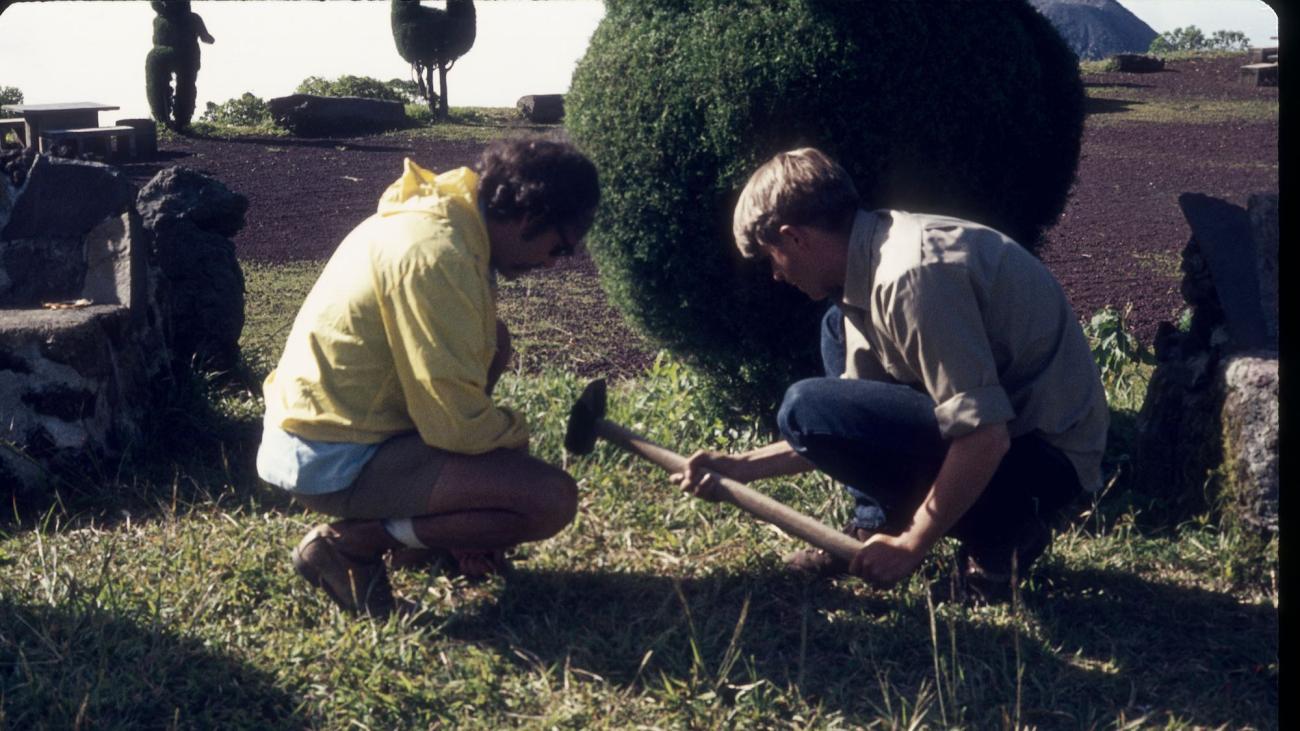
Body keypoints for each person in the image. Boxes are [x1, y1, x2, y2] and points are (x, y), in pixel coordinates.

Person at [673, 148, 1108, 602]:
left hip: (1045, 465)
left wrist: (913, 544)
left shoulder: (911, 278)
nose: (777, 275)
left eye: (771, 258)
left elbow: (985, 436)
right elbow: (847, 430)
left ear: (795, 238)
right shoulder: (864, 268)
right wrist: (740, 468)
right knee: (832, 340)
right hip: (1011, 437)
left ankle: (1006, 537)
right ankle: (875, 523)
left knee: (803, 405)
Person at [257, 137, 600, 616]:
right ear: (529, 216)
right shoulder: (438, 254)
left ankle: (423, 537)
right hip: (328, 457)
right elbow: (454, 425)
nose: (550, 264)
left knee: (493, 342)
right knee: (548, 498)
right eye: (559, 248)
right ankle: (351, 544)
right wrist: (514, 446)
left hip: (327, 431)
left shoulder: (448, 218)